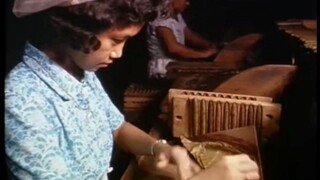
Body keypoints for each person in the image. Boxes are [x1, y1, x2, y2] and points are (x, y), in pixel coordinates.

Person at [5, 0, 259, 179]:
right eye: (115, 40)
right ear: (72, 29)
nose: (119, 53)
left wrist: (159, 147)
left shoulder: (80, 70)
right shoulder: (20, 98)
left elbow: (116, 127)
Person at [147, 0, 220, 79]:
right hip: (163, 69)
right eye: (185, 0)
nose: (187, 3)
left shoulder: (176, 16)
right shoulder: (161, 20)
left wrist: (209, 45)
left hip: (176, 65)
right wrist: (204, 54)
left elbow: (189, 35)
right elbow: (174, 49)